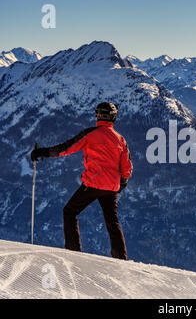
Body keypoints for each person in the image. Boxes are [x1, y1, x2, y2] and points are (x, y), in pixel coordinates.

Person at [30, 102, 133, 260]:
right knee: (112, 221)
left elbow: (65, 148)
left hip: (92, 183)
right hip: (112, 186)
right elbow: (126, 167)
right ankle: (120, 257)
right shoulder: (121, 139)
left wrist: (41, 152)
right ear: (114, 117)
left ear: (97, 115)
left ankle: (73, 252)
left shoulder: (89, 134)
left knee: (70, 211)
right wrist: (121, 184)